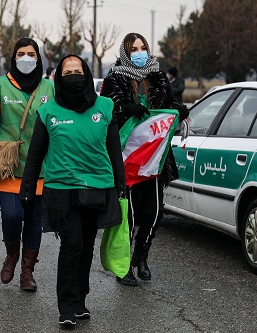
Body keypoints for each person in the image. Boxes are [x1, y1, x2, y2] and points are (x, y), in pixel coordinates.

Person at [19, 55, 125, 326]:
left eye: (78, 71)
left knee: (86, 246)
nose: (74, 76)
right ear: (59, 78)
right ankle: (66, 307)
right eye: (68, 72)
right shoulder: (48, 111)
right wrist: (28, 187)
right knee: (72, 244)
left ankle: (80, 301)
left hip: (97, 187)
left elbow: (114, 150)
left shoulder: (105, 106)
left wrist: (120, 184)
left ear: (87, 74)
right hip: (61, 190)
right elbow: (35, 154)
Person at [101, 32, 189, 287]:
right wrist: (126, 110)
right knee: (127, 214)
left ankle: (142, 254)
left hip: (154, 158)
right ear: (125, 53)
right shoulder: (114, 79)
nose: (139, 53)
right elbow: (106, 111)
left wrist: (179, 111)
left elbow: (170, 106)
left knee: (155, 210)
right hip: (125, 158)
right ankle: (125, 263)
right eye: (134, 49)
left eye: (143, 48)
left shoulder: (159, 77)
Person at [0, 37, 54, 292]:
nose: (26, 58)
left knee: (33, 219)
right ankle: (11, 254)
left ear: (38, 57)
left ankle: (27, 272)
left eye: (31, 53)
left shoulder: (49, 89)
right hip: (7, 164)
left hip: (40, 167)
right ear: (13, 57)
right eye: (21, 53)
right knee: (12, 214)